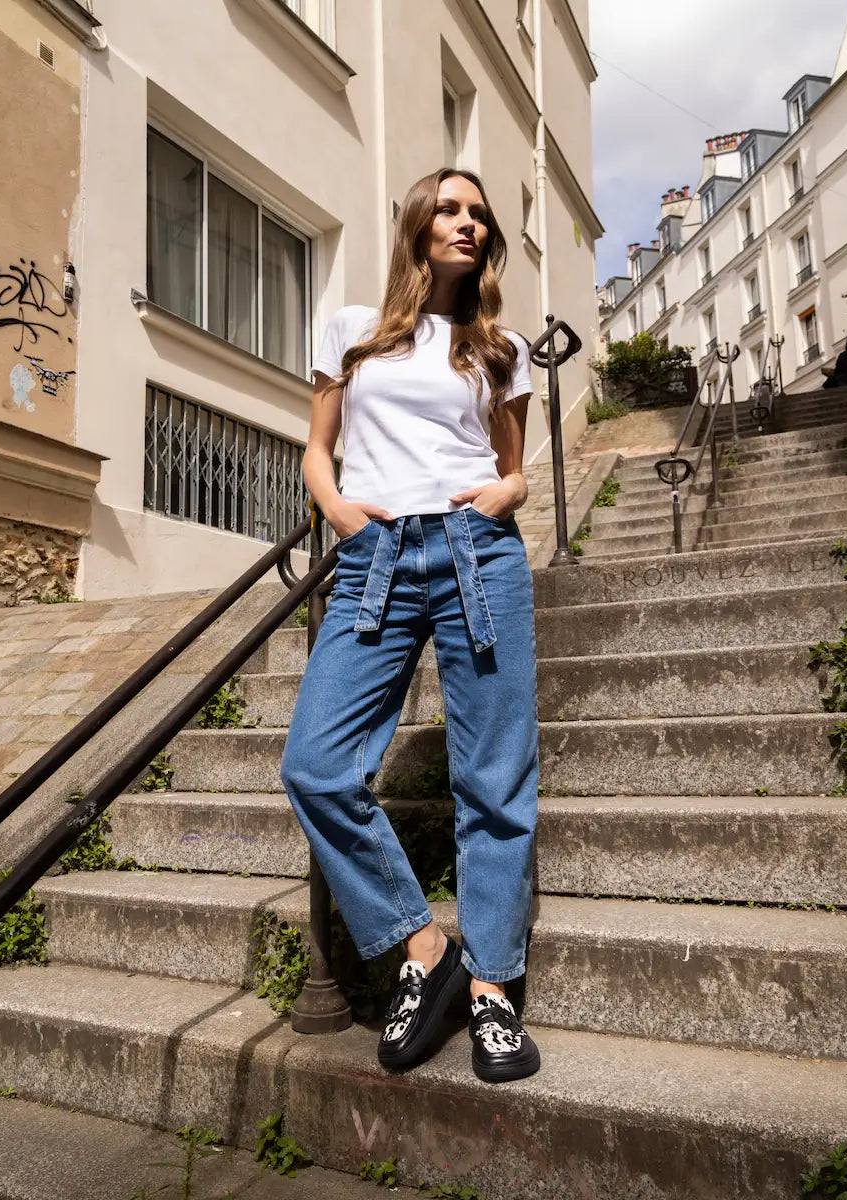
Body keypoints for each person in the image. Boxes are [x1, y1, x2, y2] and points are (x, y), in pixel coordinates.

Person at [280, 167, 540, 1084]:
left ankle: (494, 997)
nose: (469, 223)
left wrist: (500, 496)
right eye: (453, 208)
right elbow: (317, 449)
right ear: (419, 222)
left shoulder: (500, 346)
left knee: (494, 784)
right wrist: (344, 515)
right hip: (376, 558)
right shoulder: (352, 330)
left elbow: (516, 471)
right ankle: (426, 952)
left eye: (481, 215)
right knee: (314, 765)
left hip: (479, 554)